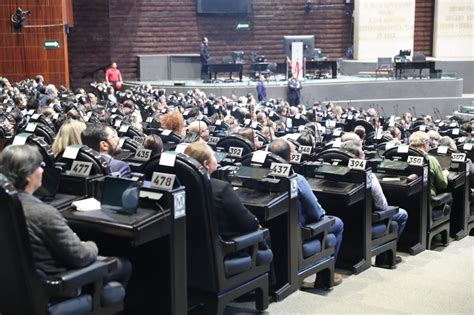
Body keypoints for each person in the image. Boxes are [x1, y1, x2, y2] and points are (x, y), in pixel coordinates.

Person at [0, 145, 131, 286]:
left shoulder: (8, 207)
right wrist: (91, 245)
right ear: (29, 175)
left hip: (11, 288)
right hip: (54, 286)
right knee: (123, 265)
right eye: (40, 166)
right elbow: (80, 256)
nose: (43, 170)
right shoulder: (43, 213)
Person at [268, 138, 344, 285]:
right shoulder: (298, 179)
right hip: (299, 232)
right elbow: (317, 213)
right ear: (290, 158)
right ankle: (325, 277)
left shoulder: (260, 175)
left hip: (273, 234)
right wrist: (323, 216)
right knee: (338, 223)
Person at [340, 140, 408, 263]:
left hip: (344, 220)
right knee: (402, 213)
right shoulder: (368, 175)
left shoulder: (333, 172)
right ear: (360, 156)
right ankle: (385, 257)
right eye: (363, 152)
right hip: (366, 221)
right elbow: (382, 205)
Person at [184, 142, 260, 238]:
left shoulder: (180, 187)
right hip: (230, 247)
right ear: (206, 164)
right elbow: (250, 223)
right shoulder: (221, 189)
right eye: (214, 156)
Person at [409, 131, 449, 198]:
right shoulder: (430, 159)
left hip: (409, 196)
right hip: (428, 198)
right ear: (425, 144)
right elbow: (442, 184)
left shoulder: (406, 157)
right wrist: (444, 174)